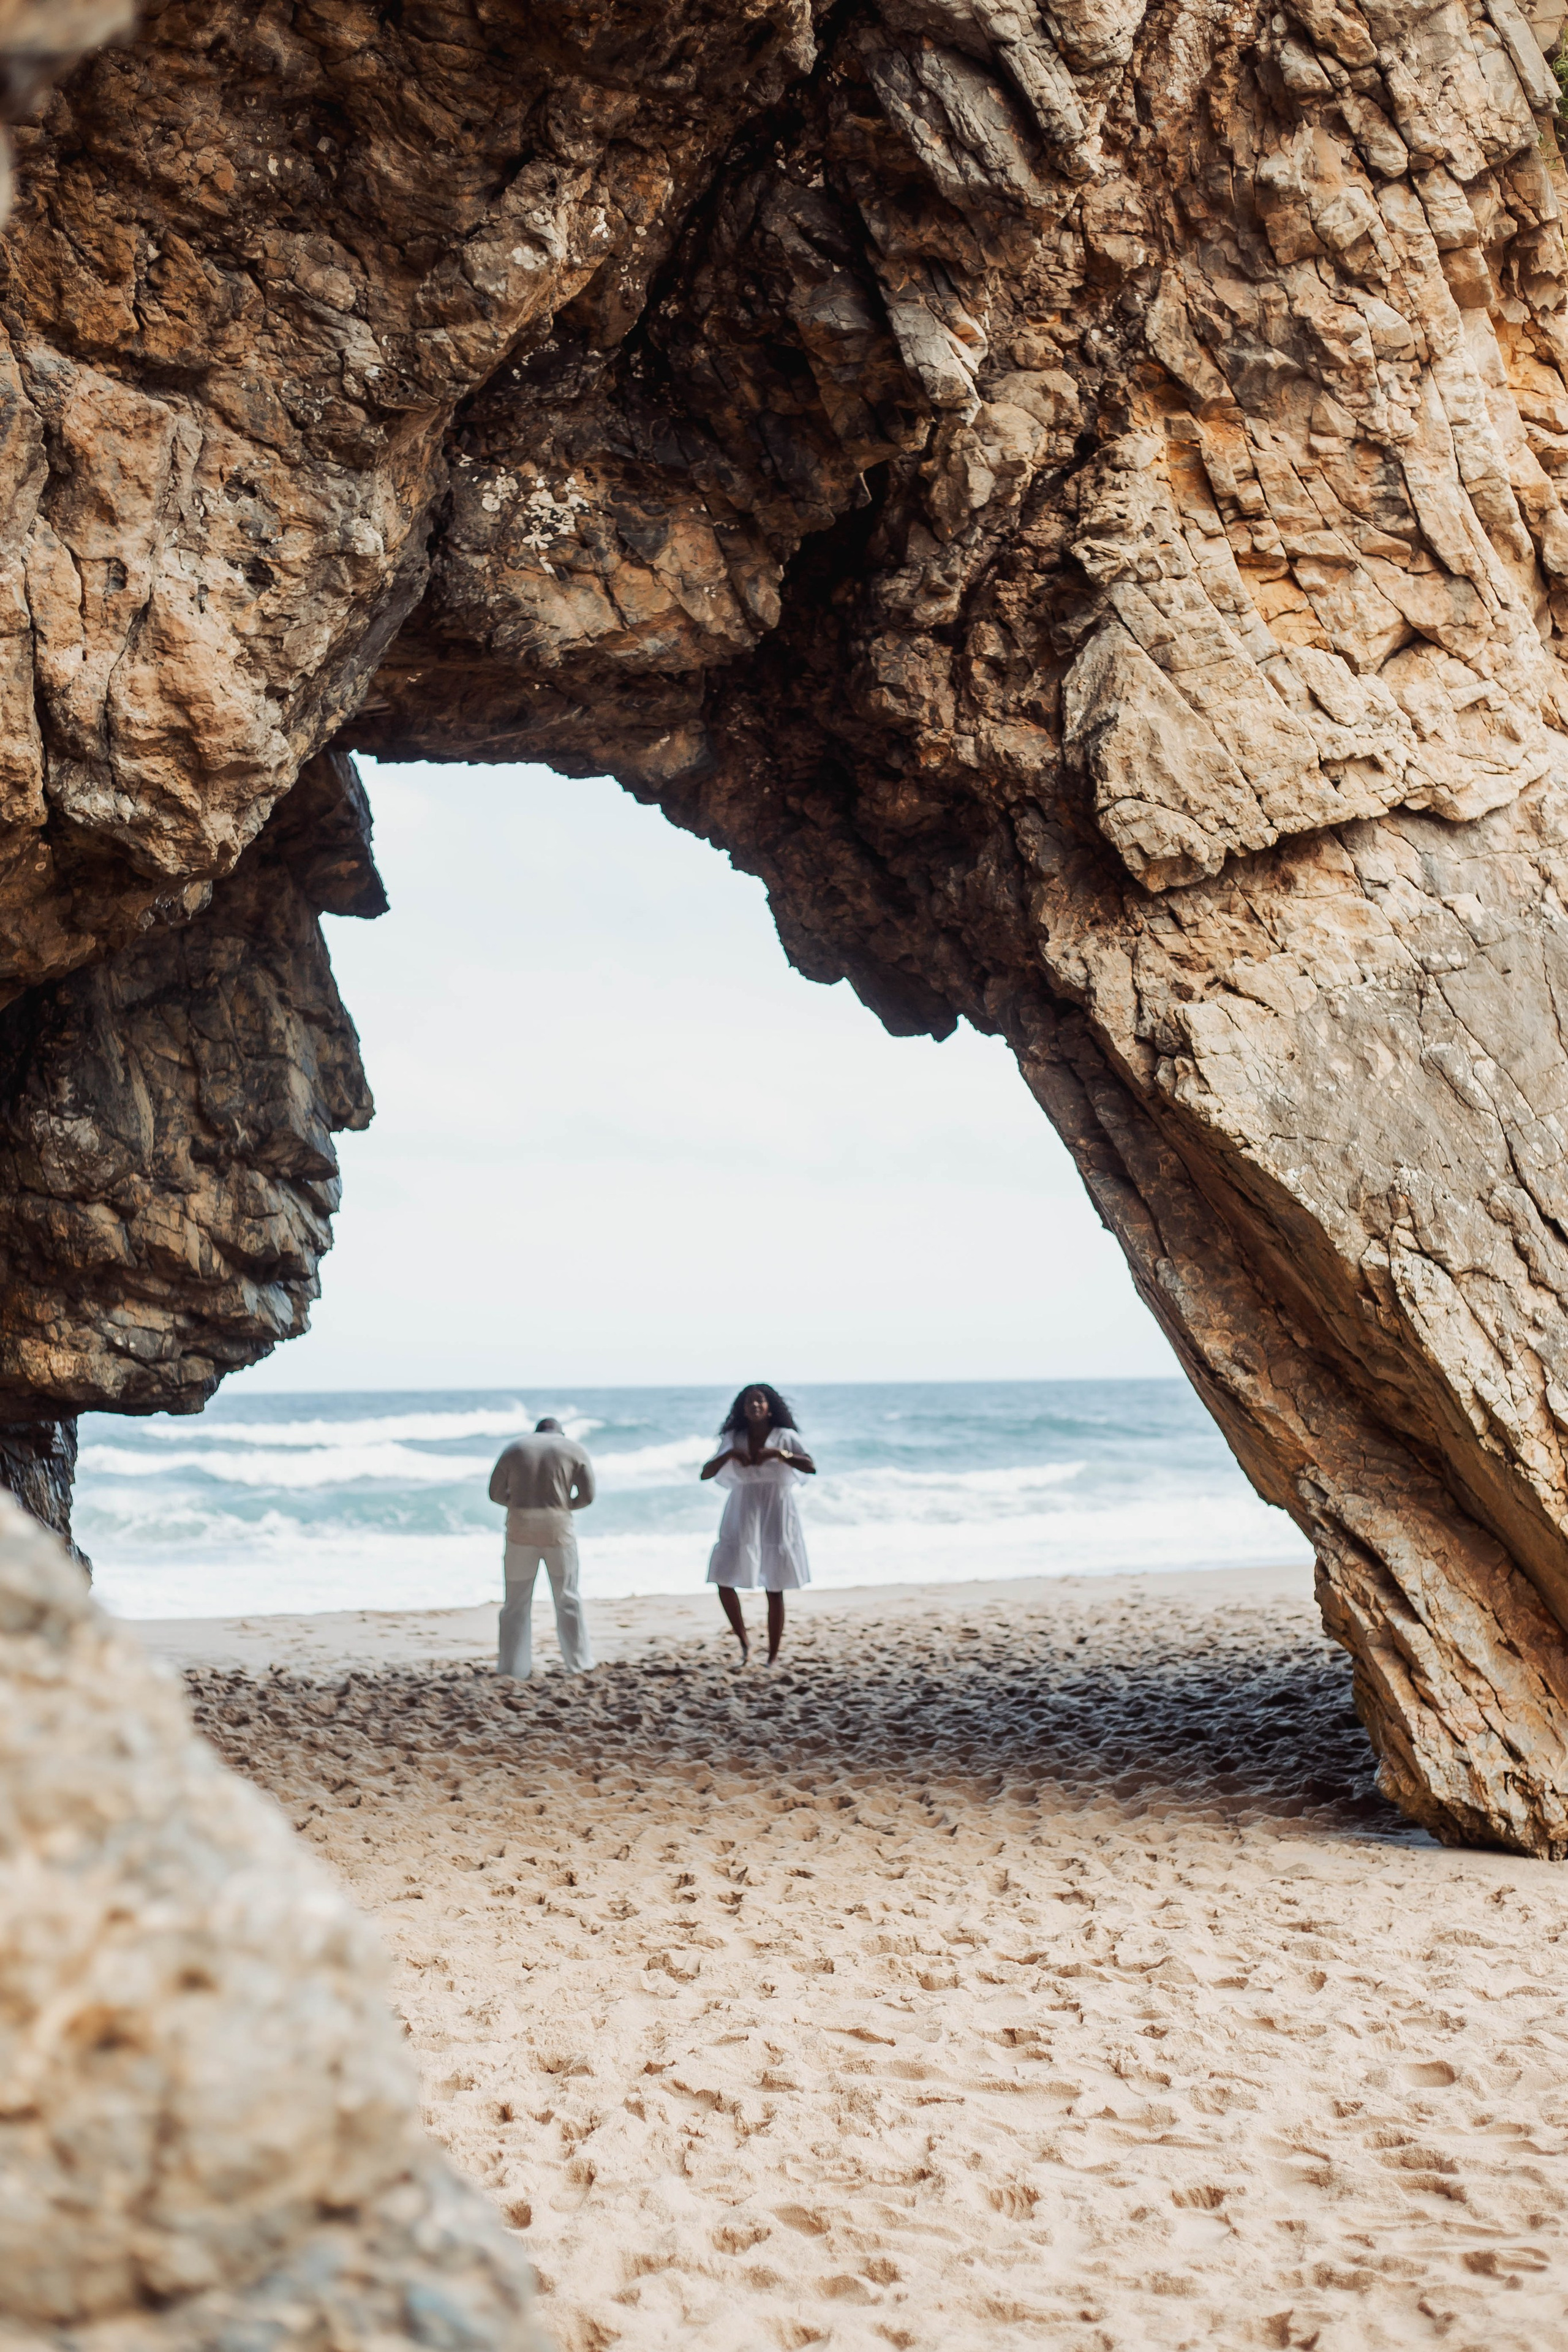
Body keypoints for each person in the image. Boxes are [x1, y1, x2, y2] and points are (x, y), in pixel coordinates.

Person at [701, 1383, 816, 1664]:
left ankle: (773, 1656)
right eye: (749, 1402)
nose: (754, 1405)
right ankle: (745, 1643)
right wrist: (729, 1455)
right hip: (741, 1508)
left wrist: (779, 1454)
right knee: (723, 1576)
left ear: (769, 1407)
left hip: (776, 1508)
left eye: (760, 1401)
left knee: (775, 1584)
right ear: (742, 1408)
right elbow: (706, 1473)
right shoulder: (733, 1437)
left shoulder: (784, 1437)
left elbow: (810, 1466)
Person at [488, 1416, 595, 1678]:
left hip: (520, 1529)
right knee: (567, 1599)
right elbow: (588, 1496)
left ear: (536, 1431)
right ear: (560, 1432)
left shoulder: (514, 1448)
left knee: (515, 1602)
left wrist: (517, 1503)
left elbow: (495, 1493)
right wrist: (563, 1506)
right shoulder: (574, 1449)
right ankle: (578, 1664)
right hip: (558, 1530)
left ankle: (513, 1669)